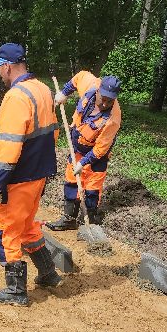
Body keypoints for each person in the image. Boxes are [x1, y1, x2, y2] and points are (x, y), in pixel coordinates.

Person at [0, 42, 62, 306]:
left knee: (5, 230)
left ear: (7, 66)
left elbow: (9, 147)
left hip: (19, 177)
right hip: (39, 174)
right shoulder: (42, 89)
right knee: (27, 225)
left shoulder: (16, 97)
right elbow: (53, 133)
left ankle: (16, 290)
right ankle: (48, 273)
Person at [46, 71, 122, 231]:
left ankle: (90, 222)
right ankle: (69, 219)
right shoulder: (91, 85)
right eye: (103, 98)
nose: (104, 104)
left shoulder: (112, 120)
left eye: (109, 101)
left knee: (92, 188)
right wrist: (64, 93)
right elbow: (79, 76)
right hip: (77, 147)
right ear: (98, 90)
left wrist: (84, 163)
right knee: (71, 180)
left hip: (97, 155)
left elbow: (101, 149)